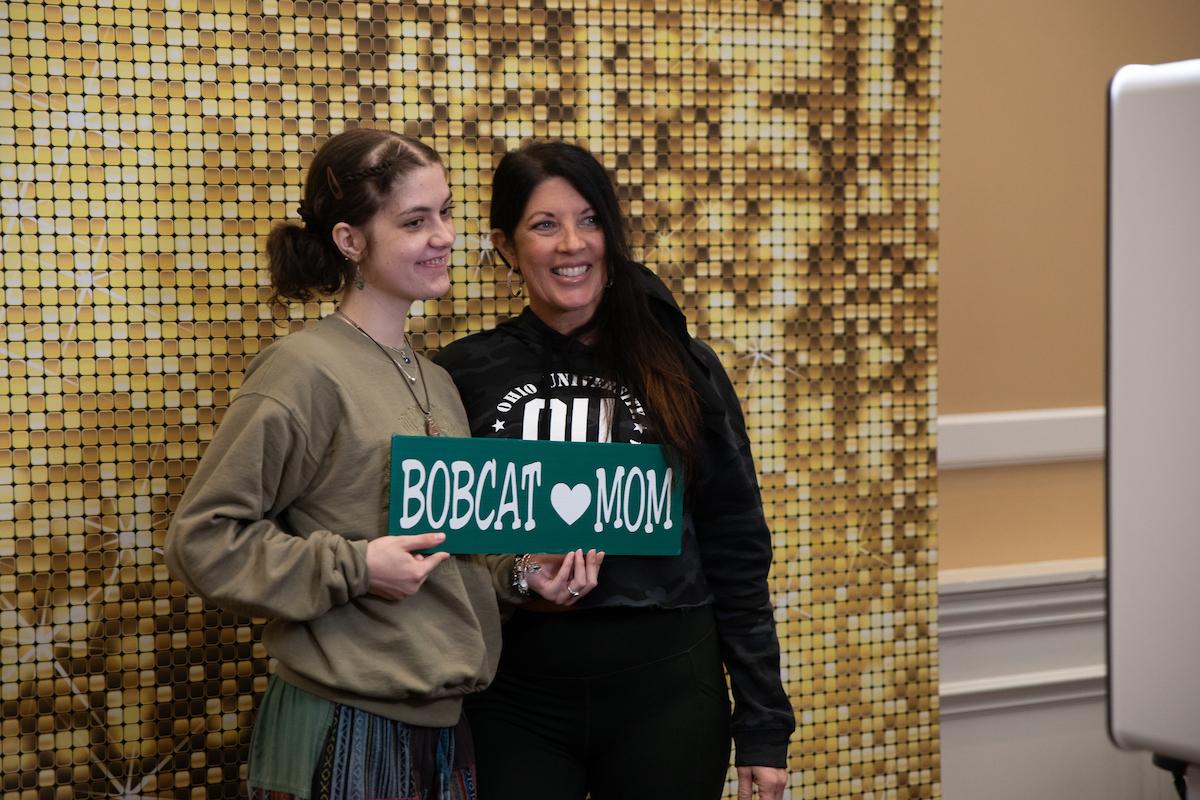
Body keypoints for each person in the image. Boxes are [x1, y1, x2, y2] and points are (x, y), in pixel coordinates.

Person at [164, 128, 597, 800]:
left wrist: (523, 573)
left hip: (445, 730)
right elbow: (203, 539)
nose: (446, 235)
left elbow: (448, 546)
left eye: (447, 212)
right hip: (342, 723)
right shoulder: (304, 369)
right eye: (416, 221)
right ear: (350, 240)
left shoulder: (437, 381)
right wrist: (358, 567)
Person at [434, 142, 796, 800]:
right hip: (514, 701)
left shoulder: (684, 367)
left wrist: (764, 726)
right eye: (545, 225)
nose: (572, 243)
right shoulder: (460, 374)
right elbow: (441, 542)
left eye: (591, 219)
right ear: (506, 247)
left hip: (670, 694)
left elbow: (738, 546)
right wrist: (516, 574)